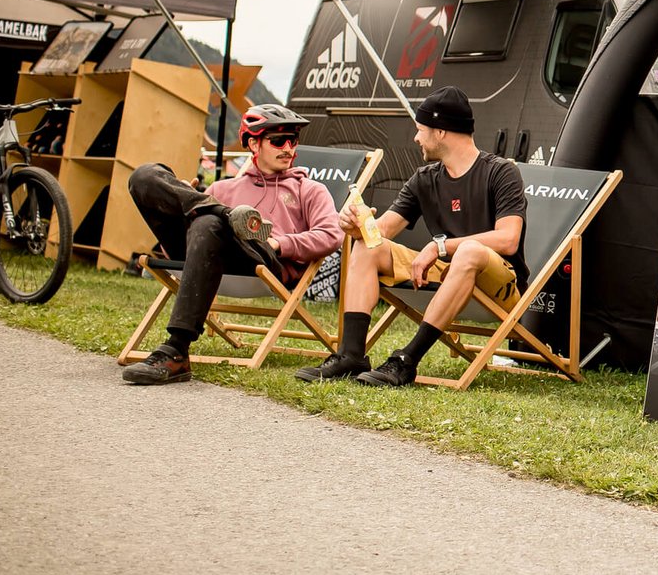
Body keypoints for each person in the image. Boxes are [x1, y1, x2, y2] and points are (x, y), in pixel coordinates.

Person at [296, 86, 528, 387]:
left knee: (470, 250)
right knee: (367, 248)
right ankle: (351, 355)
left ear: (441, 131)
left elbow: (508, 239)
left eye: (420, 129)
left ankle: (407, 361)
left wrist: (439, 246)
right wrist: (356, 226)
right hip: (448, 274)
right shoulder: (424, 179)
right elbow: (382, 231)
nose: (416, 137)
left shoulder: (500, 172)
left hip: (499, 283)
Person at [120, 104, 342, 385]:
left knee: (207, 220)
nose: (288, 148)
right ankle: (223, 214)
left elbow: (331, 235)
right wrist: (181, 214)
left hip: (260, 261)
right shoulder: (223, 189)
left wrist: (278, 243)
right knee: (144, 176)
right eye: (278, 141)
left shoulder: (308, 189)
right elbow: (186, 252)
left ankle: (176, 349)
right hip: (207, 257)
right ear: (253, 143)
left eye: (293, 140)